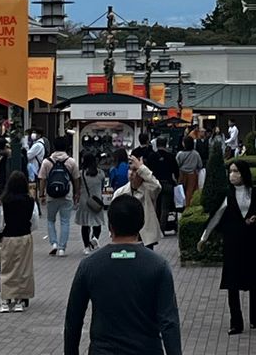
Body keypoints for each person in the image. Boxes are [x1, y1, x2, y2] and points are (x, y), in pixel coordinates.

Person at [64, 195, 182, 355]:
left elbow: (73, 319)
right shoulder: (158, 266)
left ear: (110, 225)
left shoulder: (90, 265)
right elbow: (169, 322)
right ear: (141, 224)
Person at [197, 160, 256, 335]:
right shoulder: (227, 194)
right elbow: (216, 217)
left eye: (236, 171)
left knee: (254, 282)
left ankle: (255, 319)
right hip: (233, 244)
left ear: (244, 173)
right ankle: (236, 323)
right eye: (230, 171)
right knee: (232, 283)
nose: (232, 175)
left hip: (251, 242)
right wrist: (203, 238)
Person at [0, 170, 38, 313]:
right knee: (23, 269)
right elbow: (34, 222)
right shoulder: (30, 201)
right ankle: (19, 300)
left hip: (9, 237)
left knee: (7, 267)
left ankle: (5, 300)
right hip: (25, 237)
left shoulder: (4, 202)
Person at [38, 135, 80, 257]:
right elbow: (76, 179)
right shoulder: (71, 161)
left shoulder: (47, 162)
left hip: (51, 196)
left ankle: (54, 243)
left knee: (50, 220)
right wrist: (77, 193)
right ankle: (62, 248)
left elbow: (42, 179)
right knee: (65, 221)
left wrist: (41, 195)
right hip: (66, 195)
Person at [113, 154, 162, 249]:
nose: (131, 173)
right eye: (130, 169)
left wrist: (141, 167)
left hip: (145, 236)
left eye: (135, 170)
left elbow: (157, 186)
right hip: (125, 235)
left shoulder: (149, 190)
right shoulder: (120, 192)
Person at [76, 152, 106, 256]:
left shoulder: (81, 173)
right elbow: (102, 186)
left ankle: (86, 247)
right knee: (97, 223)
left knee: (85, 225)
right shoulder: (100, 173)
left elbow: (78, 187)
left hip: (84, 201)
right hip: (97, 201)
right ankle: (94, 239)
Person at [149, 137, 180, 233]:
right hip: (167, 184)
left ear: (157, 144)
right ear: (166, 144)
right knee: (165, 208)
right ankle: (161, 229)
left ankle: (155, 228)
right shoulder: (171, 156)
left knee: (155, 207)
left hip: (154, 184)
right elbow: (176, 171)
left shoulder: (152, 156)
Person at [176, 136, 203, 209]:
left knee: (181, 192)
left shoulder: (180, 154)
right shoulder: (196, 154)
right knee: (190, 193)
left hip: (182, 175)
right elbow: (200, 165)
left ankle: (180, 206)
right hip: (192, 175)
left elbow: (176, 165)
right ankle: (189, 207)